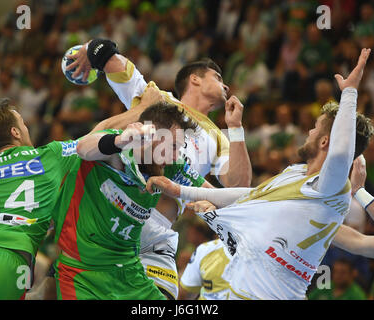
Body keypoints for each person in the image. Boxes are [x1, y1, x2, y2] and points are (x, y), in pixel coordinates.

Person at [146, 48, 374, 300]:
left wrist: (350, 93)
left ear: (324, 142)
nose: (309, 131)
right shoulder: (296, 173)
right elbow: (250, 195)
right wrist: (181, 190)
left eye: (315, 128)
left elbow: (341, 154)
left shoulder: (329, 186)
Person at [65, 38, 252, 299]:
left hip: (157, 231)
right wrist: (88, 49)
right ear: (195, 80)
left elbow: (237, 183)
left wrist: (235, 128)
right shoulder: (156, 98)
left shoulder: (219, 138)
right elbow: (107, 54)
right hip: (113, 211)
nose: (227, 85)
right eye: (218, 77)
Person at [52, 102, 207, 300]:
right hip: (82, 273)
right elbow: (83, 148)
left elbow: (212, 194)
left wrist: (208, 201)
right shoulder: (119, 146)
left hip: (128, 271)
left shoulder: (171, 165)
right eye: (174, 146)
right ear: (154, 137)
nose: (177, 155)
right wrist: (119, 140)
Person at [0, 99, 79, 299]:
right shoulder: (46, 157)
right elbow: (103, 133)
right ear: (15, 132)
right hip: (4, 262)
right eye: (23, 124)